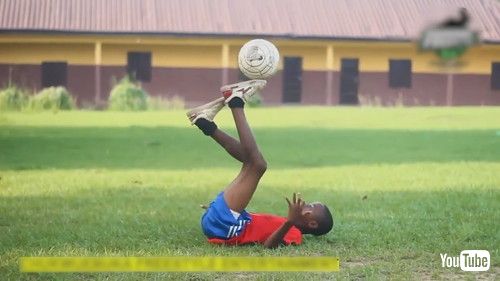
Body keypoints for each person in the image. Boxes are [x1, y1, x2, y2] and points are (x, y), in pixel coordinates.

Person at [186, 80, 333, 248]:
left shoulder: (294, 233)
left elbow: (269, 246)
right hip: (226, 221)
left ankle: (236, 102)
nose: (306, 204)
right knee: (250, 160)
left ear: (312, 223)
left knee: (258, 165)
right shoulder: (287, 225)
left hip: (226, 226)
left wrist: (290, 222)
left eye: (311, 207)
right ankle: (205, 123)